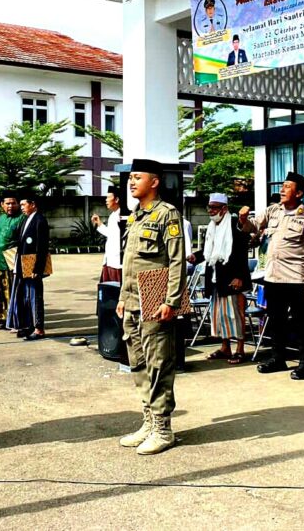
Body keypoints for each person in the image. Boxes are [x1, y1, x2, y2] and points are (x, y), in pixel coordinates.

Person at [116, 159, 186, 455]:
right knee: (139, 363)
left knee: (158, 364)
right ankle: (148, 420)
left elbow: (177, 261)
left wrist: (171, 301)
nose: (131, 182)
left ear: (154, 181)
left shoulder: (166, 214)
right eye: (130, 177)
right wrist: (121, 297)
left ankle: (163, 427)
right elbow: (129, 262)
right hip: (132, 300)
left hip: (155, 298)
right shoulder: (136, 215)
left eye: (137, 177)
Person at [239, 172, 304, 379]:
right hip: (273, 276)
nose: (282, 190)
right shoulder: (273, 210)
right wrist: (243, 219)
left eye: (287, 186)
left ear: (299, 192)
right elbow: (253, 227)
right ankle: (278, 358)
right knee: (276, 320)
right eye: (282, 186)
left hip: (296, 277)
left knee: (302, 322)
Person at [203, 193, 252, 364]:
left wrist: (240, 277)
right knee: (219, 315)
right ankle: (225, 347)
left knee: (235, 315)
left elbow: (241, 252)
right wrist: (194, 256)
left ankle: (240, 349)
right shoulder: (212, 226)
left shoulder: (234, 224)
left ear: (224, 209)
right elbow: (210, 252)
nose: (211, 211)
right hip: (217, 277)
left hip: (233, 277)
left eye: (214, 207)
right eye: (209, 207)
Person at [8, 191, 50, 340]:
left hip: (33, 266)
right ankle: (28, 325)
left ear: (33, 204)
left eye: (24, 204)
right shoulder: (26, 220)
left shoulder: (39, 220)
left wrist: (37, 269)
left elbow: (42, 247)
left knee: (35, 296)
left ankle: (39, 328)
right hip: (23, 264)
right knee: (24, 296)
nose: (22, 208)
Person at [0, 192, 25, 330]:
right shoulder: (1, 219)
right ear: (2, 205)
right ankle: (1, 319)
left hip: (12, 261)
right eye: (7, 203)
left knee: (12, 293)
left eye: (13, 203)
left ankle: (15, 320)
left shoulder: (21, 219)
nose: (10, 206)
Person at [92, 185, 122, 283]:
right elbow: (111, 234)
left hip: (117, 261)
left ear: (116, 199)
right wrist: (99, 223)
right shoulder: (113, 215)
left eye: (109, 197)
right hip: (110, 259)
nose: (106, 200)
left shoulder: (121, 216)